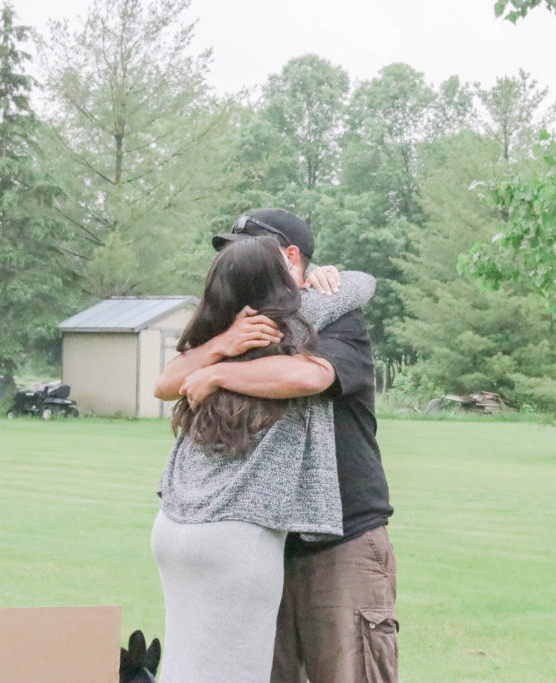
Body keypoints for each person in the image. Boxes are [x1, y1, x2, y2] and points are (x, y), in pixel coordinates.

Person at [154, 208, 398, 683]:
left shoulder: (336, 314)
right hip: (267, 538)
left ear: (290, 258)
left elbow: (310, 374)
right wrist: (222, 345)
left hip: (341, 539)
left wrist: (217, 373)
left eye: (250, 251)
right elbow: (167, 383)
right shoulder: (240, 327)